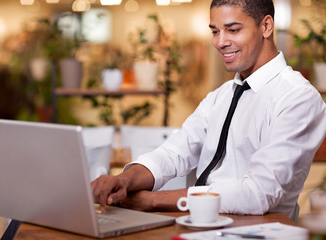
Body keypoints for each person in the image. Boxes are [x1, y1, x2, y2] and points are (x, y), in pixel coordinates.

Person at [92, 0, 326, 221]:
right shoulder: (219, 96)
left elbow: (258, 193)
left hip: (254, 230)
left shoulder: (298, 97)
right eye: (215, 31)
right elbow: (172, 154)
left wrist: (152, 201)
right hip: (197, 224)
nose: (220, 42)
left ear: (266, 26)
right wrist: (123, 180)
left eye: (233, 30)